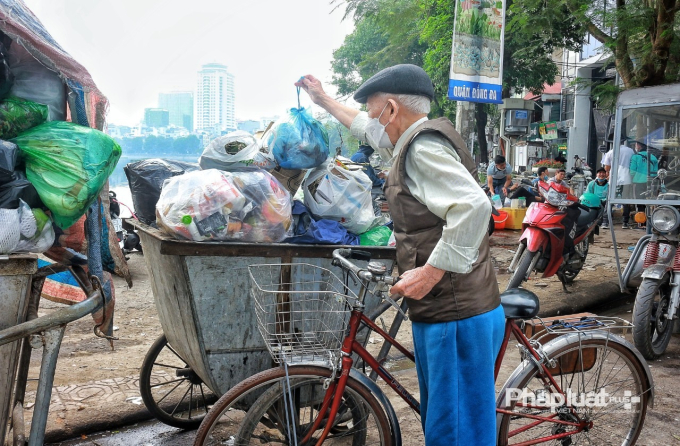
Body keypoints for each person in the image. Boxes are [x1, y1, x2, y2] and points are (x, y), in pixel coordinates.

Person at [296, 65, 504, 446]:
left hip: (455, 311)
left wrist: (430, 272)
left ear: (392, 109)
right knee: (448, 418)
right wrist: (323, 99)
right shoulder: (418, 135)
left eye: (377, 111)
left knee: (455, 432)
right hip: (453, 307)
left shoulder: (421, 149)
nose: (375, 121)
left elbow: (474, 206)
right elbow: (364, 126)